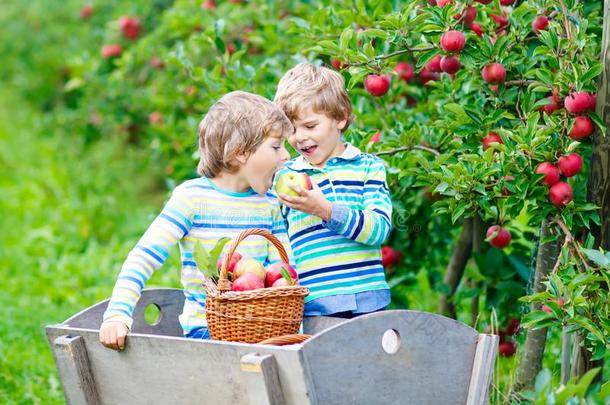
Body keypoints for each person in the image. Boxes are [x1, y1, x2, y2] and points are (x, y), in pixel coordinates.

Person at [99, 91, 293, 349]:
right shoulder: (191, 199)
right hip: (208, 332)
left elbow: (282, 275)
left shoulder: (270, 203)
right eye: (276, 146)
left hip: (263, 332)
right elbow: (144, 256)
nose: (286, 156)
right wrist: (117, 315)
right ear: (241, 152)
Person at [273, 62, 392, 319]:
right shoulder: (285, 176)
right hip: (313, 306)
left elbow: (379, 229)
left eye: (310, 126)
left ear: (340, 117)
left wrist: (326, 211)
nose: (299, 137)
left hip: (367, 302)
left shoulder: (367, 167)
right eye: (292, 130)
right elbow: (279, 240)